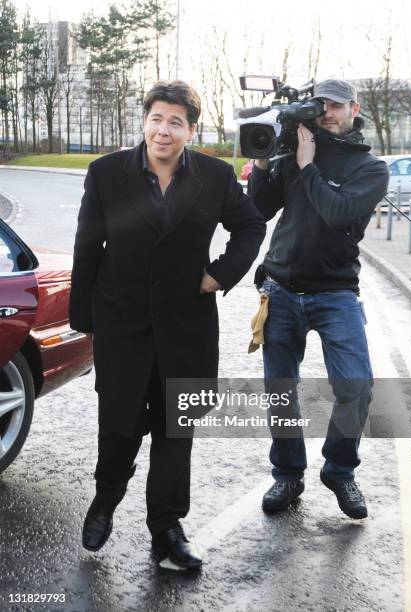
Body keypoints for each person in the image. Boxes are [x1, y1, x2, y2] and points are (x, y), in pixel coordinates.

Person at [69, 80, 266, 569]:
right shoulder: (107, 173)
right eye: (157, 118)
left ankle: (168, 531)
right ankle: (106, 497)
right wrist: (82, 318)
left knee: (177, 431)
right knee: (118, 426)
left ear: (190, 130)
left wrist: (218, 275)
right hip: (122, 323)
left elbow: (251, 226)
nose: (163, 129)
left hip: (188, 326)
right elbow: (87, 245)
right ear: (145, 121)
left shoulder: (216, 177)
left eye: (175, 121)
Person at [249, 79, 389, 519]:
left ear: (354, 108)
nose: (327, 112)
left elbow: (337, 213)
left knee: (357, 386)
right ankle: (288, 474)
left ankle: (340, 469)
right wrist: (265, 159)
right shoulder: (292, 153)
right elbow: (261, 208)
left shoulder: (370, 168)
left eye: (335, 105)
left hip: (336, 293)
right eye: (320, 105)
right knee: (280, 391)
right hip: (282, 288)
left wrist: (308, 166)